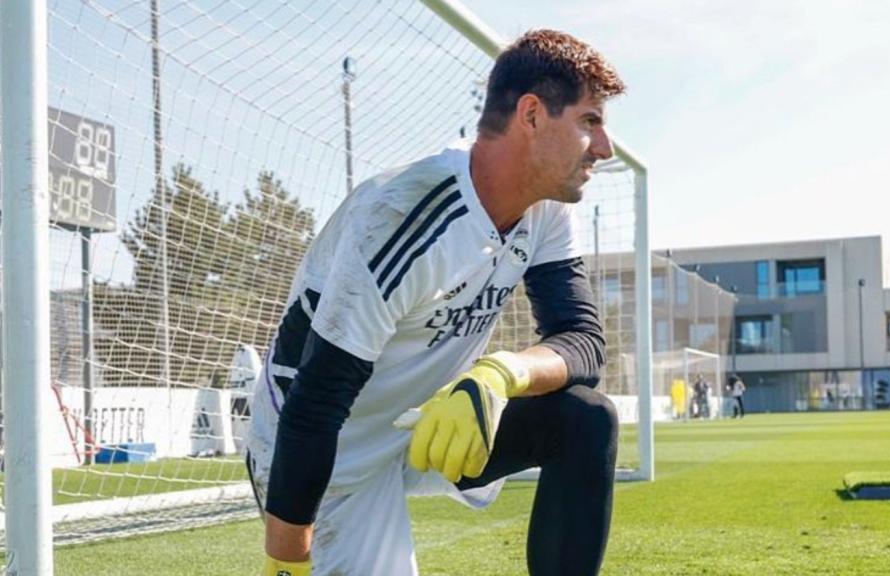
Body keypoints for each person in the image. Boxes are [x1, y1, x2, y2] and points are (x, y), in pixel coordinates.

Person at [245, 30, 626, 576]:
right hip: (328, 453)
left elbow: (583, 341)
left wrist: (499, 375)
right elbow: (316, 403)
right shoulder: (401, 214)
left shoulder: (547, 211)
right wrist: (286, 564)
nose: (606, 147)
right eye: (590, 121)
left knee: (585, 419)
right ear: (533, 115)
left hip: (425, 423)